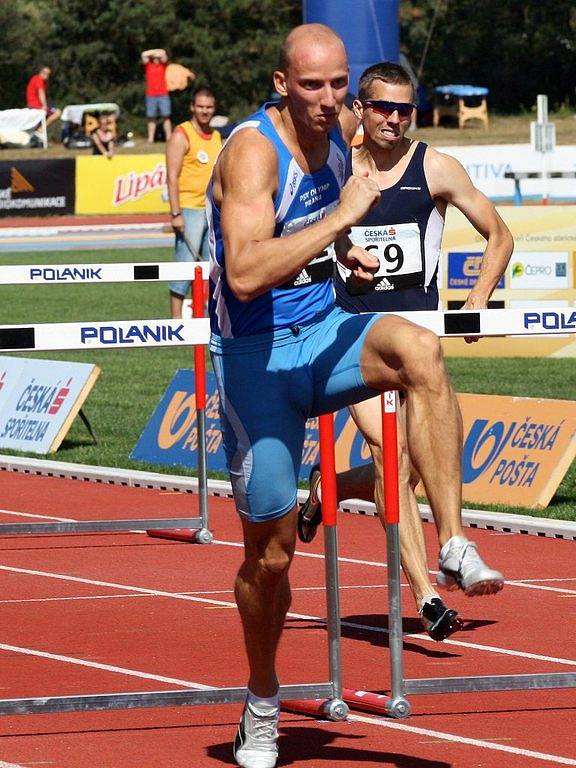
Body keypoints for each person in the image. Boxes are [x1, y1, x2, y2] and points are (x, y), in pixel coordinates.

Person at [207, 24, 504, 768]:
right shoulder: (252, 151)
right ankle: (263, 700)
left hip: (328, 330)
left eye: (340, 85)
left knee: (420, 351)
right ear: (282, 84)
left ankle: (455, 542)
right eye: (313, 86)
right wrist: (343, 221)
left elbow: (322, 216)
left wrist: (348, 252)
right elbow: (242, 274)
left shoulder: (340, 133)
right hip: (258, 358)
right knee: (270, 561)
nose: (331, 100)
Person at [297, 61, 514, 643]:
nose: (395, 119)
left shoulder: (436, 167)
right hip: (351, 337)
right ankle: (427, 594)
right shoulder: (336, 169)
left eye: (405, 110)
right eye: (384, 108)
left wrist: (478, 297)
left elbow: (500, 234)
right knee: (392, 457)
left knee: (418, 463)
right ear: (361, 111)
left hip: (418, 344)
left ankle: (330, 486)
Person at [166, 87, 222, 318]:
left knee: (209, 269)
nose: (204, 111)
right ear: (192, 107)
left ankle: (205, 318)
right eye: (200, 106)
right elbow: (171, 176)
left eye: (208, 107)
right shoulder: (182, 134)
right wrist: (175, 213)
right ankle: (176, 320)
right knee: (184, 266)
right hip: (189, 209)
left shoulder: (217, 136)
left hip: (210, 211)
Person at [141, 48, 172, 143]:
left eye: (157, 56)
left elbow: (163, 53)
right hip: (151, 95)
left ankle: (169, 138)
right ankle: (150, 138)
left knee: (166, 116)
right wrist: (154, 53)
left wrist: (156, 53)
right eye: (154, 57)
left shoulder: (163, 65)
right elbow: (143, 54)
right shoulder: (148, 66)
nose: (156, 58)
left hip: (163, 94)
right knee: (151, 117)